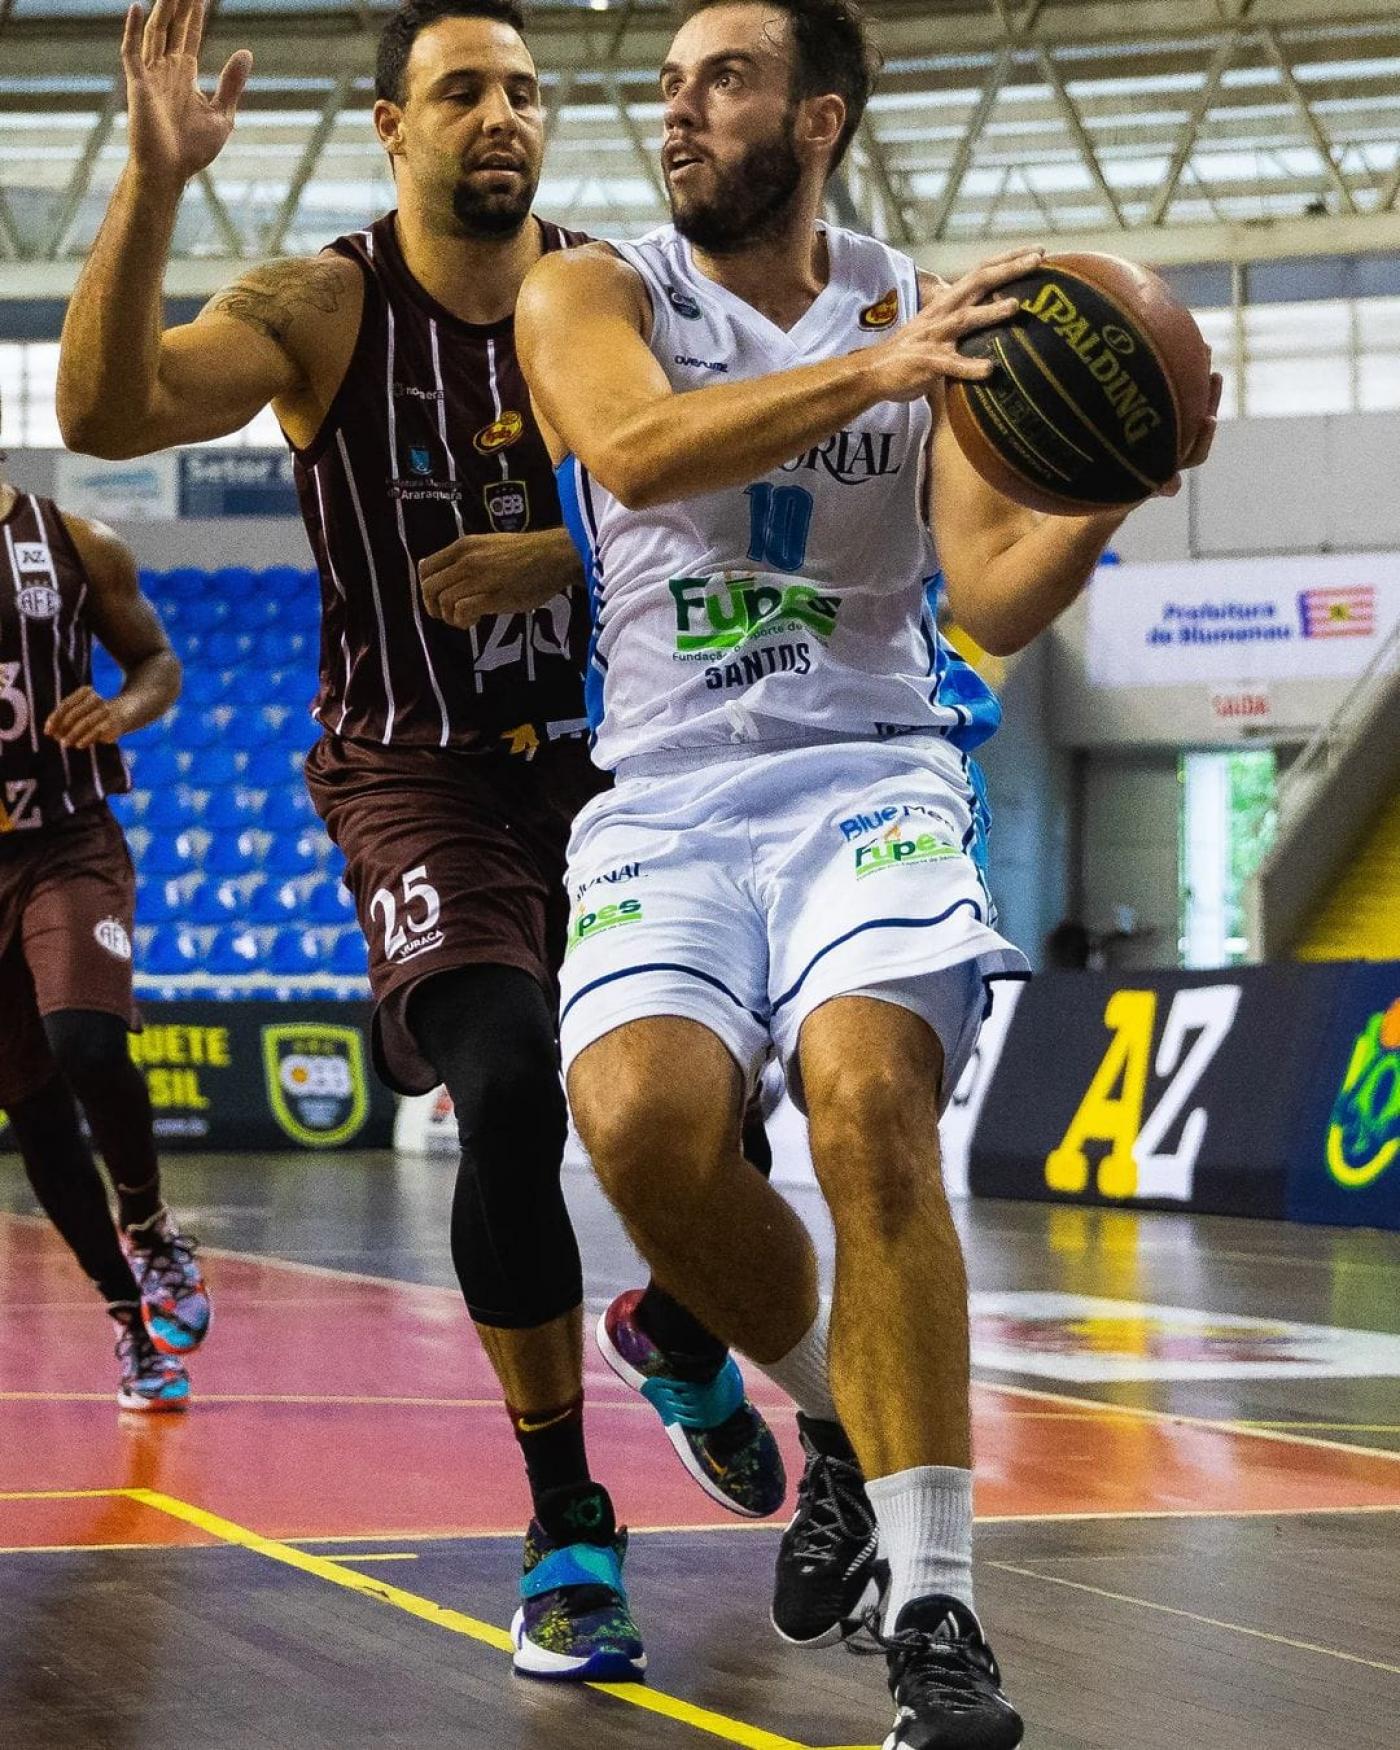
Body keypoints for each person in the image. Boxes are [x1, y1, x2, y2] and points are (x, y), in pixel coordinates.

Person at [517, 1, 1219, 1742]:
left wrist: (1118, 479)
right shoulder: (591, 289)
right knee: (642, 1135)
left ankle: (940, 1622)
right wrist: (878, 373)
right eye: (669, 85)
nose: (679, 112)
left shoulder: (931, 312)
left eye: (723, 81)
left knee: (866, 1106)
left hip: (870, 774)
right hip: (668, 789)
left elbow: (982, 593)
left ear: (816, 117)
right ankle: (837, 1418)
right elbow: (633, 453)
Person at [57, 0, 782, 1682]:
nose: (503, 117)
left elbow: (722, 494)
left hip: (618, 768)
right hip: (416, 774)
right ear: (393, 125)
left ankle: (676, 1327)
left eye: (525, 91)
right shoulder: (324, 302)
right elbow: (108, 413)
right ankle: (564, 1525)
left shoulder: (606, 292)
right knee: (514, 1084)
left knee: (729, 1086)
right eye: (463, 91)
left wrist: (563, 558)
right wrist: (153, 184)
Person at [0, 427, 211, 1412]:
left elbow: (158, 663)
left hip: (66, 839)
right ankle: (130, 1324)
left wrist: (120, 712)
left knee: (83, 1038)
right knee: (33, 1105)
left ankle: (154, 1223)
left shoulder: (75, 541)